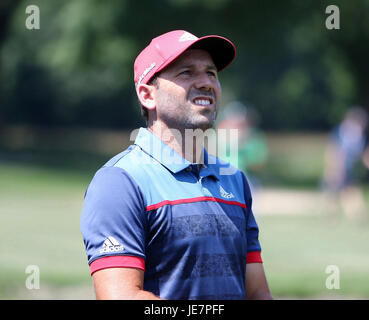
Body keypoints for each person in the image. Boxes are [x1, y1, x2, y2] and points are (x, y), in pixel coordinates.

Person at [80, 30, 273, 300]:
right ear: (148, 95)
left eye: (211, 73)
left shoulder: (234, 180)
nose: (206, 82)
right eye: (186, 73)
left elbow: (256, 292)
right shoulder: (120, 181)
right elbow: (121, 296)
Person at [322, 106, 369, 221]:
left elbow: (364, 153)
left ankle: (355, 215)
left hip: (349, 168)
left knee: (350, 191)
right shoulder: (340, 132)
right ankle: (331, 215)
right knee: (335, 192)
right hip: (337, 166)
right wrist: (334, 168)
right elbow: (333, 151)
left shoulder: (361, 136)